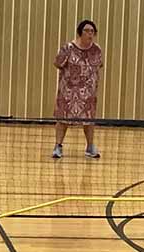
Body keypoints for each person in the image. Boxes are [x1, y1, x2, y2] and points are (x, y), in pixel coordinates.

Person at [52, 20, 103, 159]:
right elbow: (57, 63)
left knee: (89, 120)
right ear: (80, 32)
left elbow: (99, 65)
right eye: (87, 31)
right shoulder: (68, 48)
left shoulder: (97, 49)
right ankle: (58, 146)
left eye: (92, 31)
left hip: (87, 93)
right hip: (68, 91)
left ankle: (90, 147)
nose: (90, 34)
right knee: (63, 119)